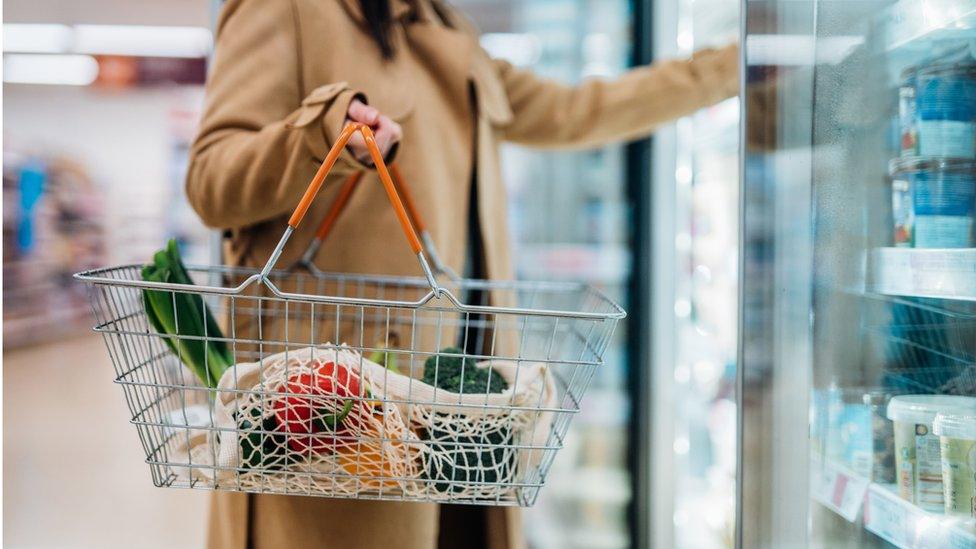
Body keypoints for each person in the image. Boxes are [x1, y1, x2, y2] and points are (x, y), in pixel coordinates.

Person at [185, 0, 737, 548]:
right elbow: (212, 182)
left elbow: (576, 110)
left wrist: (733, 67)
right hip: (334, 416)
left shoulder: (445, 25)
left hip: (461, 412)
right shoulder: (285, 10)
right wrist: (321, 133)